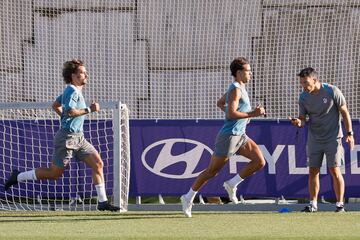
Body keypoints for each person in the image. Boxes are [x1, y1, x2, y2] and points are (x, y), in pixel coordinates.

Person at [4, 59, 120, 212]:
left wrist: (65, 119)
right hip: (67, 138)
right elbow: (70, 111)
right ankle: (17, 176)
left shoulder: (72, 90)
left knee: (98, 164)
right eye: (82, 72)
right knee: (54, 174)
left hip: (79, 138)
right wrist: (90, 109)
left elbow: (56, 106)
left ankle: (102, 202)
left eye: (85, 72)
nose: (86, 75)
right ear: (73, 75)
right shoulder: (72, 90)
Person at [180, 57, 266, 217]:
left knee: (259, 162)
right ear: (239, 72)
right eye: (248, 71)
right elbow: (231, 113)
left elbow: (220, 103)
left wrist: (246, 117)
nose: (251, 74)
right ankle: (188, 197)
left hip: (241, 135)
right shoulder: (235, 89)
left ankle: (232, 184)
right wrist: (252, 113)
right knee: (212, 171)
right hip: (229, 137)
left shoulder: (240, 87)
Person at [290, 67, 354, 213]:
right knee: (313, 171)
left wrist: (349, 133)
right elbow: (303, 119)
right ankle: (313, 205)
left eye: (306, 83)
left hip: (333, 138)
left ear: (315, 80)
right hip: (314, 139)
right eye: (301, 83)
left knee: (334, 170)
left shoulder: (332, 91)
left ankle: (339, 205)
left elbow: (345, 112)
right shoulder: (303, 97)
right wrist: (298, 123)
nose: (304, 86)